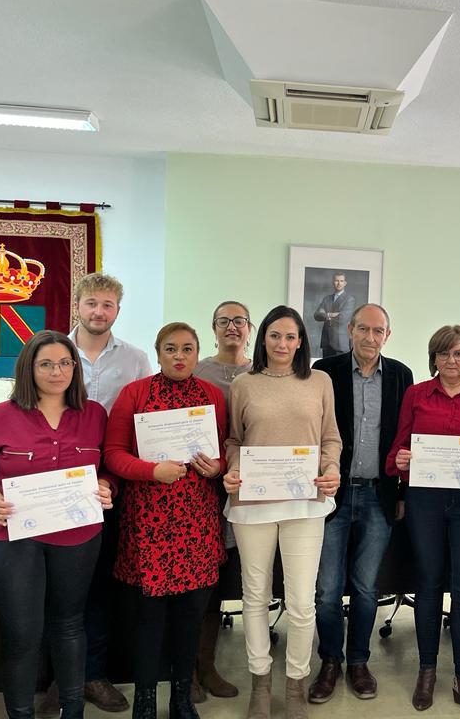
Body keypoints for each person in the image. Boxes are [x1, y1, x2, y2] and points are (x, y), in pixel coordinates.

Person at [0, 330, 114, 719]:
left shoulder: (94, 414)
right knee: (23, 633)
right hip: (11, 537)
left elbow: (108, 467)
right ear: (29, 368)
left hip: (77, 535)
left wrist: (105, 486)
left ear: (75, 368)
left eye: (65, 363)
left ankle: (72, 712)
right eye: (46, 364)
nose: (57, 371)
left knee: (69, 625)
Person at [104, 322, 228, 719]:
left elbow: (223, 451)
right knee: (149, 619)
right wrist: (151, 471)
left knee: (190, 617)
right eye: (170, 348)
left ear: (197, 354)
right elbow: (113, 453)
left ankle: (181, 697)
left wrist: (217, 467)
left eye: (187, 349)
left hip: (197, 521)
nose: (179, 356)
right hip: (149, 521)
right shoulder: (135, 393)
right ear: (157, 353)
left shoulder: (211, 395)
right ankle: (145, 698)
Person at [223, 305, 341, 719]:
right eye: (275, 335)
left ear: (301, 341)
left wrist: (331, 469)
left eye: (291, 336)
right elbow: (234, 439)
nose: (282, 343)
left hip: (305, 502)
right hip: (253, 503)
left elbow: (330, 438)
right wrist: (232, 468)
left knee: (302, 601)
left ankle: (295, 684)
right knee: (255, 596)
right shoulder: (244, 383)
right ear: (263, 339)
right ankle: (260, 682)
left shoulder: (320, 381)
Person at [386, 325, 460, 719]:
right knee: (428, 584)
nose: (451, 361)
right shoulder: (416, 394)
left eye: (458, 353)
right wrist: (400, 460)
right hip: (425, 501)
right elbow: (400, 447)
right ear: (433, 358)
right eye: (443, 354)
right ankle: (427, 671)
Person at [308, 303, 414, 702]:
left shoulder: (401, 375)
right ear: (350, 329)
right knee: (327, 589)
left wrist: (401, 493)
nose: (371, 337)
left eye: (379, 331)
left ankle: (358, 661)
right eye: (364, 329)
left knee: (367, 587)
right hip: (332, 493)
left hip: (378, 493)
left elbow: (406, 438)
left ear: (388, 335)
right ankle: (330, 661)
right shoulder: (325, 371)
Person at [59, 271, 152, 715]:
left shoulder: (135, 359)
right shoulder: (51, 352)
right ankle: (59, 678)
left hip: (111, 485)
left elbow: (148, 419)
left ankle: (92, 674)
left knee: (98, 583)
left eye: (107, 305)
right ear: (78, 305)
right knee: (56, 586)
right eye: (92, 303)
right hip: (55, 484)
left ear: (118, 310)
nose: (99, 312)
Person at [189, 301, 254, 703]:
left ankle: (207, 663)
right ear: (213, 328)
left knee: (224, 577)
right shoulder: (196, 371)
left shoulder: (261, 373)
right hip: (199, 488)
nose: (232, 327)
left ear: (250, 328)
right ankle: (188, 669)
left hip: (249, 487)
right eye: (224, 321)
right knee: (199, 578)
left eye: (239, 321)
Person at [314, 271, 356, 357]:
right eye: (336, 281)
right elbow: (317, 315)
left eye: (341, 281)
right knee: (326, 365)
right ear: (333, 282)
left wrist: (326, 314)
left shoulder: (349, 299)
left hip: (341, 343)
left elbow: (343, 318)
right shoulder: (327, 299)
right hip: (326, 342)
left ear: (345, 283)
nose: (339, 283)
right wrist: (331, 315)